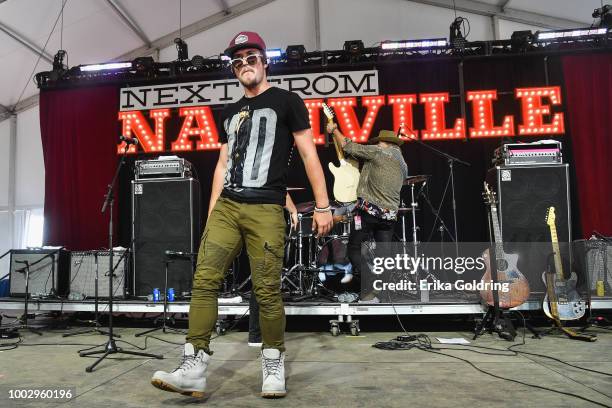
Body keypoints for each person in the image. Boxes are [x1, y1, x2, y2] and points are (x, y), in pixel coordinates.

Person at [151, 31, 333, 399]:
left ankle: (272, 363)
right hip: (229, 206)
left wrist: (324, 204)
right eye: (237, 61)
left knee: (266, 289)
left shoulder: (287, 101)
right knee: (204, 279)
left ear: (265, 62)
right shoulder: (229, 112)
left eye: (251, 57)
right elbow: (221, 165)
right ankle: (194, 367)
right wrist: (212, 213)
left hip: (266, 206)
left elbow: (310, 154)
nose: (244, 65)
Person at [327, 123, 408, 302]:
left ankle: (371, 284)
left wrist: (334, 130)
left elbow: (348, 145)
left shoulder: (379, 151)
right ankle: (384, 295)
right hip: (390, 216)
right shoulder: (403, 164)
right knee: (384, 257)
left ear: (384, 143)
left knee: (354, 248)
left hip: (368, 211)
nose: (378, 145)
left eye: (379, 142)